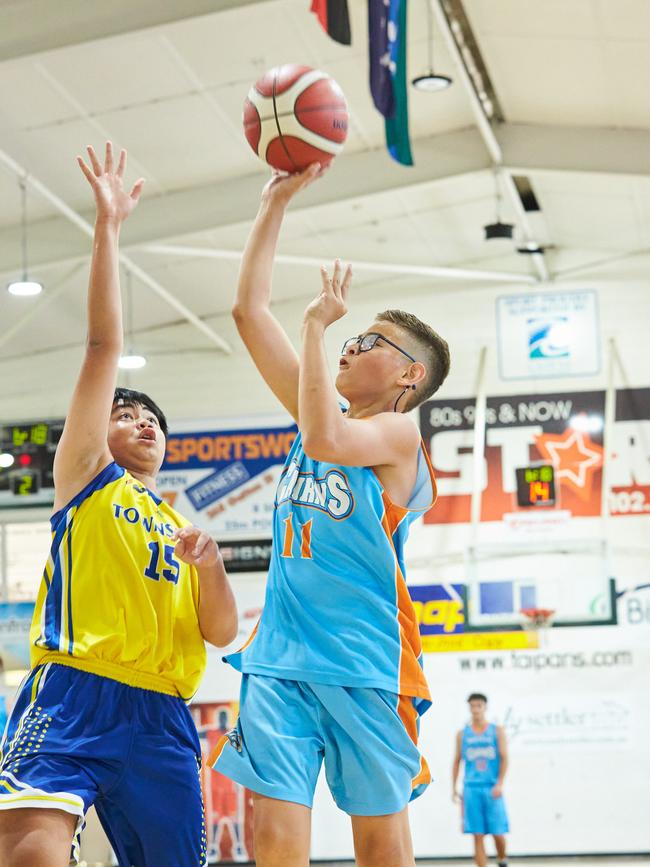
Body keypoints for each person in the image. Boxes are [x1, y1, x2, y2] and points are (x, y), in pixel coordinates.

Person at [0, 142, 238, 867]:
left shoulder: (177, 526)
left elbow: (222, 631)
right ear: (96, 428)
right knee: (27, 848)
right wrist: (108, 230)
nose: (144, 423)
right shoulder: (87, 479)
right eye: (127, 412)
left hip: (162, 711)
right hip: (72, 691)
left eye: (155, 421)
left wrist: (214, 563)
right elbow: (104, 345)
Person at [208, 165, 450, 867]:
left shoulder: (398, 438)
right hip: (279, 656)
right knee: (275, 838)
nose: (352, 343)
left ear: (411, 376)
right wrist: (272, 203)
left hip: (363, 661)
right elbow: (249, 313)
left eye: (371, 342)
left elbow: (327, 439)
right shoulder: (317, 414)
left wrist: (315, 328)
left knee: (379, 842)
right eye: (353, 336)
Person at [452, 693, 509, 867]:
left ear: (485, 707)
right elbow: (457, 760)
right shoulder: (462, 734)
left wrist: (500, 783)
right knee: (477, 833)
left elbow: (505, 758)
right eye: (473, 706)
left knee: (497, 832)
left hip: (491, 787)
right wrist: (454, 787)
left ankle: (502, 859)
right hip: (471, 788)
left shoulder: (496, 731)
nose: (476, 709)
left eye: (479, 705)